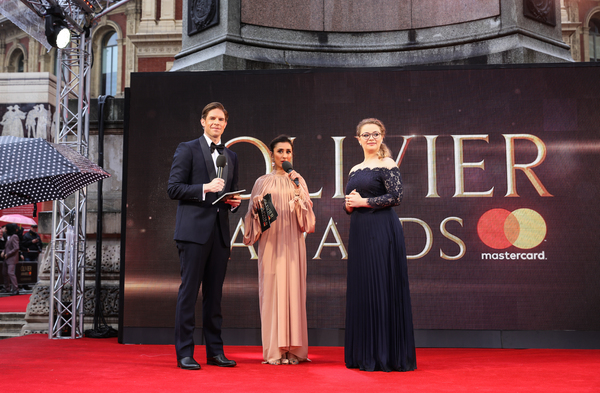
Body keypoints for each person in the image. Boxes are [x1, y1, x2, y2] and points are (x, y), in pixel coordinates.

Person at [167, 102, 242, 370]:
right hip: (192, 232)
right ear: (202, 121)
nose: (216, 123)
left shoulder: (230, 156)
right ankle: (185, 352)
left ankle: (215, 351)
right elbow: (174, 188)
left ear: (226, 123)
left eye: (221, 119)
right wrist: (205, 188)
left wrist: (235, 202)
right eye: (212, 118)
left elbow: (231, 192)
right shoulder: (187, 149)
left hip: (220, 233)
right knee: (189, 293)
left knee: (215, 296)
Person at [343, 118, 417, 372]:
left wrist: (364, 203)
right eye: (366, 135)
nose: (371, 138)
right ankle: (364, 354)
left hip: (382, 230)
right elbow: (350, 202)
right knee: (363, 288)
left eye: (375, 134)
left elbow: (396, 197)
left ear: (382, 137)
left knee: (381, 286)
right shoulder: (354, 169)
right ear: (358, 139)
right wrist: (349, 205)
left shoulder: (388, 164)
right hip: (360, 232)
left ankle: (384, 355)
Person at [243, 135, 316, 365]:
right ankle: (275, 350)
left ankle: (294, 350)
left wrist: (299, 200)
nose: (285, 156)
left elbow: (308, 221)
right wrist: (256, 208)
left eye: (288, 152)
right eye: (280, 152)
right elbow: (253, 219)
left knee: (294, 291)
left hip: (294, 243)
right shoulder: (262, 181)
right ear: (272, 156)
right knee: (273, 291)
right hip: (271, 243)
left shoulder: (298, 180)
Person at [1, 224, 21, 296]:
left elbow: (16, 248)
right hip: (6, 258)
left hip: (11, 258)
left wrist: (8, 254)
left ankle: (16, 289)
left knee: (10, 273)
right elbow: (7, 247)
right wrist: (3, 251)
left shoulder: (14, 236)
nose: (4, 230)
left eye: (6, 229)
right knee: (4, 273)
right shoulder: (8, 237)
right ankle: (7, 288)